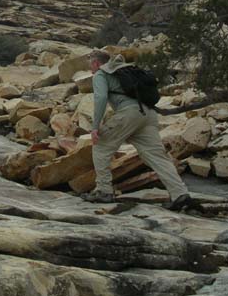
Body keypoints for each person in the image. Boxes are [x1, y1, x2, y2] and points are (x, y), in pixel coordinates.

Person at [85, 50, 200, 211]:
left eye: (90, 64)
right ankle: (180, 194)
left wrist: (95, 127)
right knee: (157, 155)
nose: (90, 68)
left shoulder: (100, 74)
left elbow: (101, 98)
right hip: (148, 114)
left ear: (97, 63)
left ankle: (103, 190)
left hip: (129, 113)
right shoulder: (125, 69)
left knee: (101, 146)